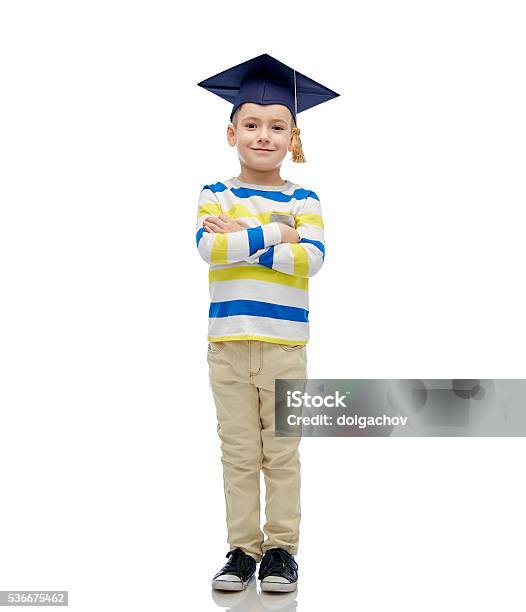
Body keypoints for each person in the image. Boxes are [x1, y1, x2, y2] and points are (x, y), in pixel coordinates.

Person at [195, 53, 339, 593]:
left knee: (281, 451)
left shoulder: (306, 197)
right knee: (237, 452)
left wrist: (246, 238)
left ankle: (281, 550)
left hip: (284, 346)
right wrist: (280, 234)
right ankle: (240, 550)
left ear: (292, 136)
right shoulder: (215, 193)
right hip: (228, 344)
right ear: (231, 131)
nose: (263, 135)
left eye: (277, 126)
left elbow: (315, 259)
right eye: (251, 125)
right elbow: (212, 248)